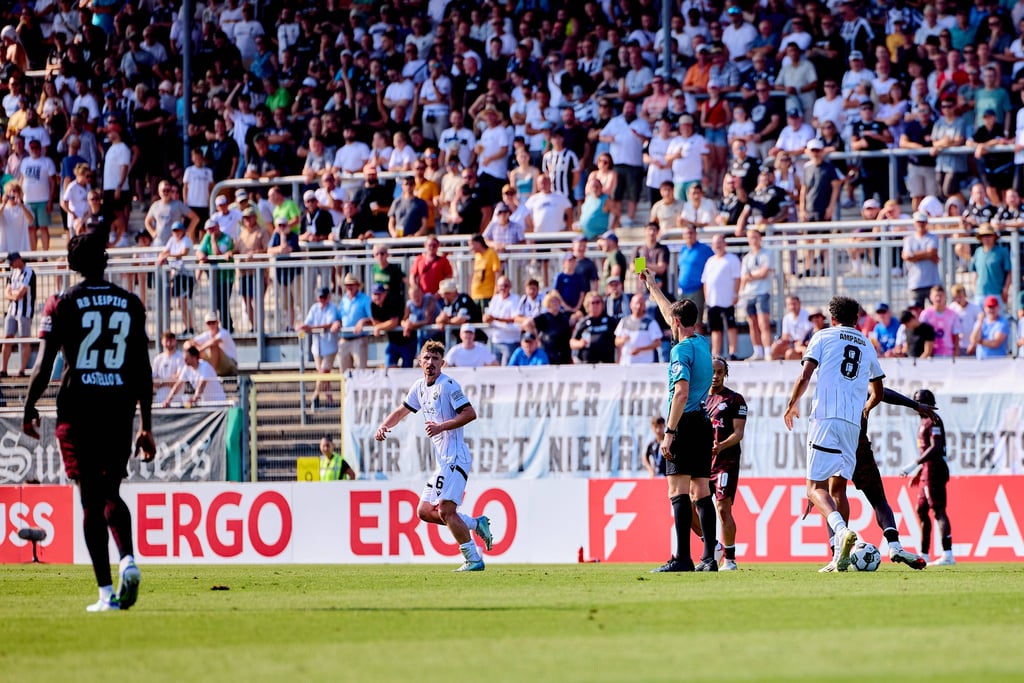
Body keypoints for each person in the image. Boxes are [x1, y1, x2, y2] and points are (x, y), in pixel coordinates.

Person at [23, 232, 155, 611]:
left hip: (78, 409)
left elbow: (43, 364)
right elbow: (143, 369)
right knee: (111, 491)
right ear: (105, 260)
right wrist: (146, 425)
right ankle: (128, 560)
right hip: (118, 408)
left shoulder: (62, 302)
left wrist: (29, 408)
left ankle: (105, 594)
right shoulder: (130, 303)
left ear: (71, 264)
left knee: (90, 502)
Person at [784, 295, 884, 573]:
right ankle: (839, 555)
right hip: (852, 425)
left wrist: (791, 405)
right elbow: (878, 392)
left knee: (814, 488)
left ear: (832, 317)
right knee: (838, 489)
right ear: (857, 318)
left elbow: (805, 376)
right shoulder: (866, 343)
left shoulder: (822, 336)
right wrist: (865, 408)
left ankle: (841, 532)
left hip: (825, 418)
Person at [375, 340, 493, 571]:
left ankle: (473, 559)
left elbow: (470, 413)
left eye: (435, 359)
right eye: (426, 358)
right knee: (424, 511)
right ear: (420, 361)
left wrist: (441, 427)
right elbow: (401, 411)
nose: (430, 363)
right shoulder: (419, 387)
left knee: (446, 510)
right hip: (443, 462)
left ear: (443, 363)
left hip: (455, 457)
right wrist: (383, 426)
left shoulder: (448, 385)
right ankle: (475, 523)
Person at [640, 268, 717, 572]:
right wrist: (652, 287)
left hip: (683, 424)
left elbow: (681, 393)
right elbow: (669, 313)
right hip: (703, 423)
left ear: (675, 323)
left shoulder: (680, 351)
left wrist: (669, 432)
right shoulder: (702, 344)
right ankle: (709, 558)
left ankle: (682, 558)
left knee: (677, 491)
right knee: (702, 491)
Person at [706, 356, 747, 572]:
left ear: (725, 374)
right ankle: (714, 546)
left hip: (725, 462)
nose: (715, 376)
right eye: (712, 371)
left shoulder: (734, 400)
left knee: (723, 509)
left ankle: (730, 559)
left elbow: (739, 433)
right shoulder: (698, 398)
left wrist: (721, 445)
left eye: (719, 372)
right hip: (702, 464)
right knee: (691, 508)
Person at [299, 287, 340, 408]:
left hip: (329, 346)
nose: (321, 299)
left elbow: (329, 324)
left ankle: (315, 396)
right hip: (317, 347)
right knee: (322, 374)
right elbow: (308, 323)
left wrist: (311, 328)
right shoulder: (314, 308)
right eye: (319, 297)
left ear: (328, 297)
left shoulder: (332, 308)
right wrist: (303, 326)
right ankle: (330, 400)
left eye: (323, 297)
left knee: (323, 372)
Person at [702, 234, 742, 359]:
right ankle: (716, 353)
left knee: (730, 326)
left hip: (727, 299)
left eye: (720, 242)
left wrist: (735, 294)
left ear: (725, 244)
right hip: (713, 301)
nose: (718, 246)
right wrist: (707, 298)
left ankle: (733, 352)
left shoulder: (732, 259)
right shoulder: (710, 261)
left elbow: (737, 278)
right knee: (715, 328)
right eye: (715, 243)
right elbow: (705, 281)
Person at [739, 227, 773, 361]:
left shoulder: (767, 254)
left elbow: (764, 272)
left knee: (763, 323)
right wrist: (741, 292)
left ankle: (767, 351)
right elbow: (743, 277)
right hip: (749, 294)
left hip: (762, 292)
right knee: (752, 324)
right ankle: (757, 351)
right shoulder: (747, 257)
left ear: (760, 238)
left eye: (755, 237)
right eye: (750, 238)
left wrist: (750, 276)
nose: (753, 240)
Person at [161, 342, 228, 407]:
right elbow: (178, 385)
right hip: (206, 405)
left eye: (187, 359)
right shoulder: (186, 368)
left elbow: (201, 385)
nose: (184, 361)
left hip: (219, 404)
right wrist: (168, 400)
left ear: (194, 357)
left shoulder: (205, 366)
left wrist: (194, 398)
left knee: (228, 412)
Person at [2, 251, 33, 377]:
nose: (11, 265)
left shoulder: (29, 272)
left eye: (12, 262)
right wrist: (13, 295)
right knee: (7, 338)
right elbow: (7, 292)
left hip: (24, 311)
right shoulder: (13, 273)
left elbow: (21, 293)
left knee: (24, 340)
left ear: (18, 260)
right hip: (12, 310)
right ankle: (3, 369)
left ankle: (22, 370)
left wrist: (13, 294)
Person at [902, 212, 942, 309]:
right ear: (914, 223)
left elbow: (932, 252)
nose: (921, 224)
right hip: (915, 283)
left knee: (936, 311)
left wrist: (913, 256)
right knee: (916, 312)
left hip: (932, 282)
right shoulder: (909, 239)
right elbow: (906, 256)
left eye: (923, 222)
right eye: (919, 222)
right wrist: (927, 255)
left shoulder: (933, 237)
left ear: (926, 223)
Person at [613, 293, 660, 365]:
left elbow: (657, 343)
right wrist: (623, 340)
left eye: (641, 304)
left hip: (645, 364)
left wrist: (640, 349)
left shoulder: (651, 322)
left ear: (645, 306)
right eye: (636, 303)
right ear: (631, 305)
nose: (638, 306)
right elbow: (616, 341)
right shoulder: (624, 321)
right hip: (626, 363)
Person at [570, 293, 617, 364]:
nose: (595, 305)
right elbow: (572, 342)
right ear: (587, 305)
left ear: (602, 304)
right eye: (592, 303)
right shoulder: (583, 322)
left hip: (607, 363)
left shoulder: (611, 321)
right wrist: (580, 343)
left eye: (598, 302)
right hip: (587, 363)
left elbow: (618, 339)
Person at [192, 312, 239, 377]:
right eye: (209, 323)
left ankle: (210, 375)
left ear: (217, 322)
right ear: (206, 324)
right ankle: (198, 374)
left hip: (231, 365)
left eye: (213, 322)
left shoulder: (224, 333)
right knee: (195, 349)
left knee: (214, 347)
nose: (211, 325)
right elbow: (191, 342)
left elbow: (214, 341)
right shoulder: (207, 334)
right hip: (219, 366)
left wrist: (200, 349)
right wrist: (195, 348)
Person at [969, 295, 1010, 359]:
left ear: (998, 307)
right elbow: (973, 340)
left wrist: (979, 341)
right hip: (981, 360)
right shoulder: (980, 322)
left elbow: (995, 343)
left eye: (993, 307)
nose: (991, 310)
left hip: (998, 361)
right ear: (985, 308)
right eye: (989, 307)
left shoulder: (1003, 322)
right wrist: (980, 323)